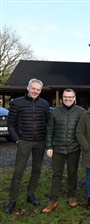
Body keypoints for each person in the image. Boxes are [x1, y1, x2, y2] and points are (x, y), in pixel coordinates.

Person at [5, 78, 50, 214]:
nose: (35, 91)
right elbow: (11, 124)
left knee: (36, 170)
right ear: (28, 88)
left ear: (40, 91)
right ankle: (12, 200)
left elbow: (47, 122)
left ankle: (30, 195)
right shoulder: (17, 103)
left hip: (40, 141)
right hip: (24, 141)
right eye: (33, 88)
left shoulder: (44, 104)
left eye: (38, 89)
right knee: (18, 171)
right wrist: (17, 139)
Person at [42, 89, 85, 213]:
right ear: (62, 98)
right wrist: (49, 146)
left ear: (74, 98)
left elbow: (84, 130)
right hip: (58, 148)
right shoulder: (55, 112)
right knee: (56, 175)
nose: (68, 99)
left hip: (74, 148)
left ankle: (71, 196)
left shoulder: (81, 112)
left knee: (72, 173)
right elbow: (50, 130)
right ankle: (53, 200)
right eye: (65, 97)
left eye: (70, 97)